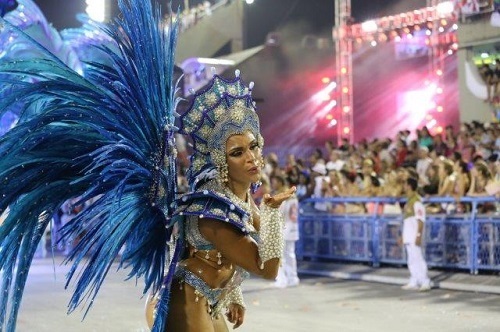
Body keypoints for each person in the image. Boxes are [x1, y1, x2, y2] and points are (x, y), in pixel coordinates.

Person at [0, 1, 295, 331]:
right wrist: (271, 215)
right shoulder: (213, 212)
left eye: (253, 145)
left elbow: (226, 259)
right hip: (188, 299)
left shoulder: (238, 198)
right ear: (221, 162)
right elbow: (266, 269)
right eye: (238, 152)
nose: (252, 157)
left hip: (211, 297)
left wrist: (234, 293)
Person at [401, 177, 431, 292]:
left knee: (418, 258)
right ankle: (414, 280)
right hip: (408, 235)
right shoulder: (408, 201)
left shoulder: (417, 201)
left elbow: (420, 219)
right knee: (411, 259)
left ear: (409, 186)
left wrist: (418, 235)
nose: (404, 187)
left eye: (405, 184)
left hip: (414, 234)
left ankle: (425, 281)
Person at [271, 175, 300, 288]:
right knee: (290, 254)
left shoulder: (282, 196)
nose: (273, 184)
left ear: (280, 182)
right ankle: (293, 278)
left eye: (274, 181)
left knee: (280, 255)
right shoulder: (293, 196)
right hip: (292, 228)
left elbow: (279, 213)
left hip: (283, 228)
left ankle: (282, 280)